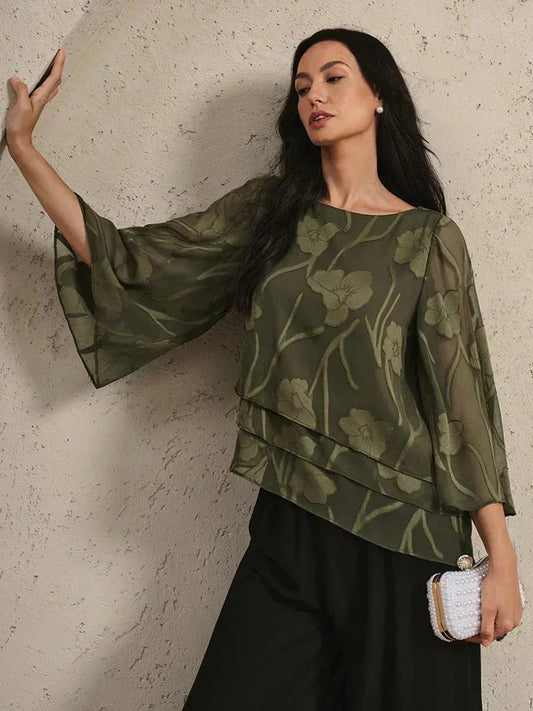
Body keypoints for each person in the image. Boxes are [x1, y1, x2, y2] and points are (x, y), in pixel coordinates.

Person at [7, 27, 523, 711]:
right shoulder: (269, 215)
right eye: (302, 86)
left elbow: (460, 400)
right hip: (289, 516)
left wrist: (500, 559)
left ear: (379, 95)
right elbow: (131, 263)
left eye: (333, 78)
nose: (314, 95)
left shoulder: (427, 238)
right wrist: (23, 147)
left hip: (403, 533)